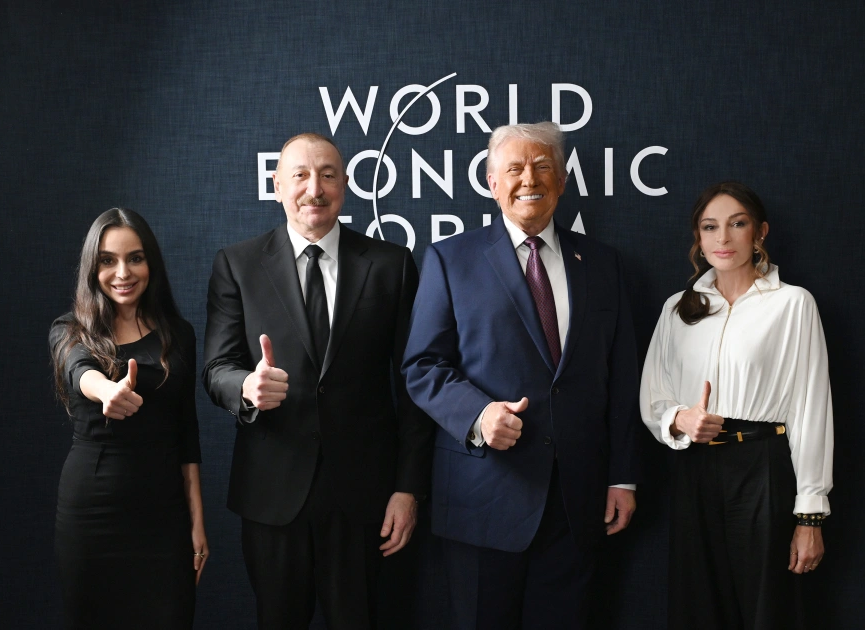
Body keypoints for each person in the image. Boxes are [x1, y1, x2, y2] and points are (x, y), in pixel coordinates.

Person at [402, 122, 643, 630]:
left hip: (578, 502)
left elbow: (622, 379)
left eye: (542, 167)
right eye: (514, 169)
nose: (528, 179)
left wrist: (621, 476)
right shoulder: (450, 259)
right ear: (493, 183)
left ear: (562, 181)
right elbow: (421, 366)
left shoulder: (604, 265)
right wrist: (478, 414)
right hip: (484, 497)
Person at [202, 132, 433, 629]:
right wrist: (247, 388)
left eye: (328, 175)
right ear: (277, 185)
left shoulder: (391, 265)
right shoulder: (237, 264)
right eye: (301, 175)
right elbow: (217, 368)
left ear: (345, 184)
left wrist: (408, 489)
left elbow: (414, 387)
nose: (315, 189)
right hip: (271, 493)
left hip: (365, 499)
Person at [640, 181, 833, 629]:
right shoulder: (677, 309)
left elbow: (811, 410)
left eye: (737, 224)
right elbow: (653, 396)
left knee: (768, 609)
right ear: (698, 237)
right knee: (697, 607)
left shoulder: (792, 304)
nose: (723, 238)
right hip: (694, 470)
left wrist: (810, 515)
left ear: (760, 232)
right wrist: (680, 419)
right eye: (710, 227)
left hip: (762, 466)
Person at [49, 208, 206, 629]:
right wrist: (107, 391)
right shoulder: (69, 331)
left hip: (164, 518)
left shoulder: (180, 334)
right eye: (108, 260)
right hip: (91, 517)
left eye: (135, 258)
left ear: (151, 263)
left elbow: (187, 433)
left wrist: (197, 522)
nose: (123, 272)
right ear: (92, 267)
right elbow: (80, 371)